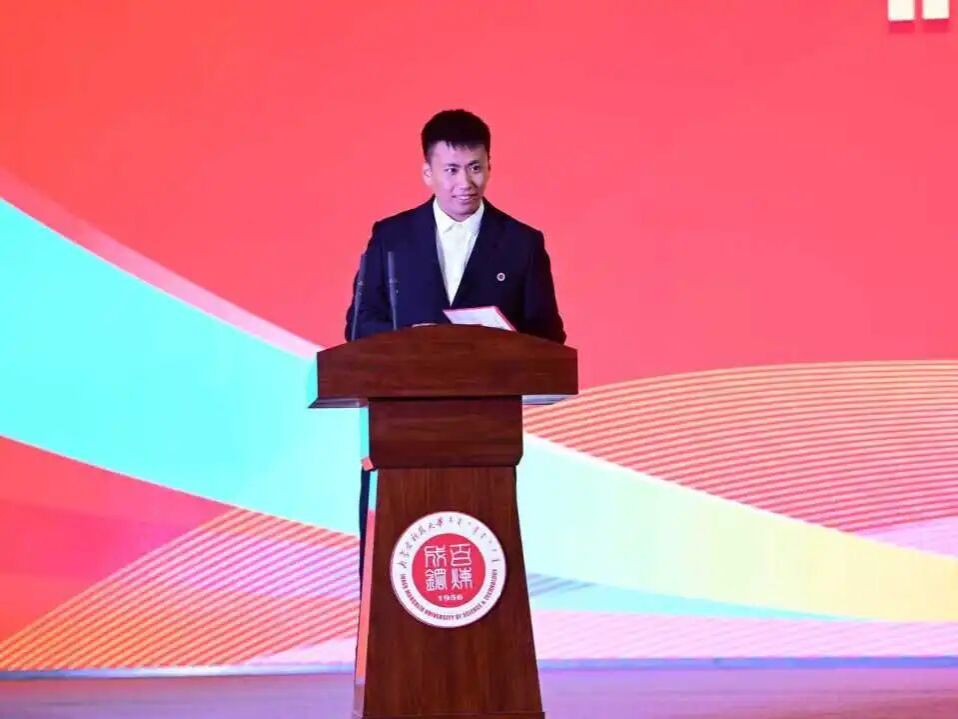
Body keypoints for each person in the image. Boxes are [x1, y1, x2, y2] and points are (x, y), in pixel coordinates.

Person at [344, 109, 566, 581]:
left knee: (481, 562)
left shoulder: (522, 243)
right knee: (393, 571)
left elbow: (548, 340)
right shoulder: (391, 237)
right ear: (427, 173)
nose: (465, 183)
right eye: (451, 170)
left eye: (476, 168)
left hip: (482, 435)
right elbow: (359, 325)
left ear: (490, 166)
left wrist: (498, 348)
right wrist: (418, 344)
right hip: (401, 430)